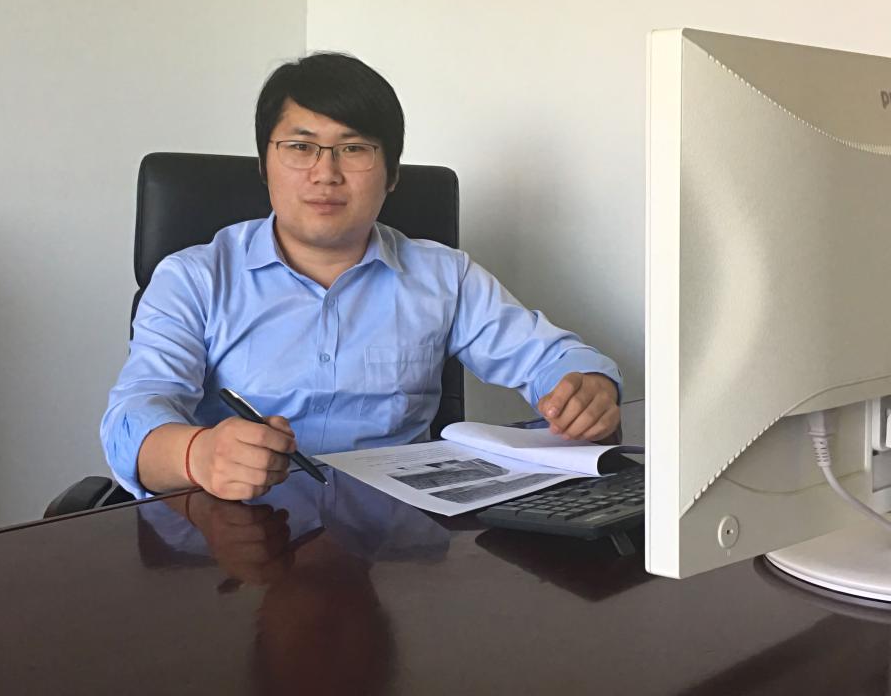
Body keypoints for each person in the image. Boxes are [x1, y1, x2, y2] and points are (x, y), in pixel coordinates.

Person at [101, 52, 622, 500]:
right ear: (264, 165)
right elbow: (134, 416)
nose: (325, 173)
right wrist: (197, 453)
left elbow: (555, 360)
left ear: (392, 174)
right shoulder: (194, 278)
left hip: (397, 536)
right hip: (243, 527)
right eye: (300, 147)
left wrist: (587, 390)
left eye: (353, 149)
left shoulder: (445, 276)